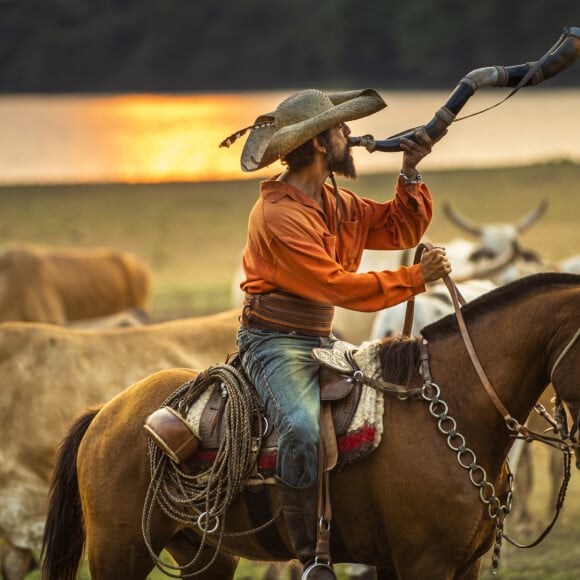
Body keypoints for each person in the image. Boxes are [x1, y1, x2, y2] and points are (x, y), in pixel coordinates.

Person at [221, 88, 450, 579]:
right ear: (321, 145)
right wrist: (416, 279)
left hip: (320, 339)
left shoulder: (336, 200)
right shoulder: (278, 215)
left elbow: (399, 230)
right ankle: (310, 559)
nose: (349, 135)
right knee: (302, 432)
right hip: (273, 343)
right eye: (341, 129)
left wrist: (410, 171)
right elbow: (336, 285)